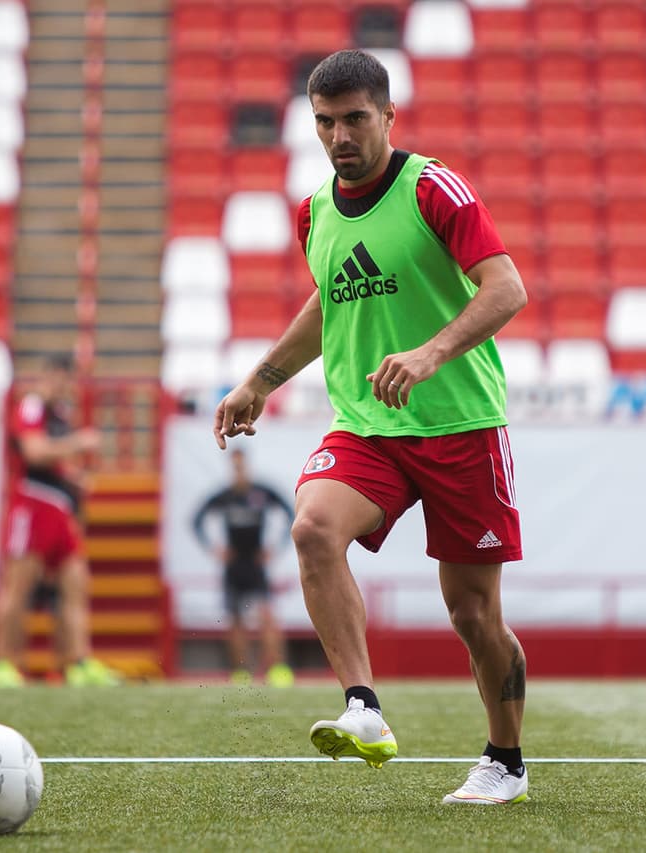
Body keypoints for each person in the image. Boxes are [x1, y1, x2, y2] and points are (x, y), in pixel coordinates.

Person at [212, 49, 530, 805]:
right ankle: (364, 706)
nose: (340, 136)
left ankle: (506, 762)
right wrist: (259, 380)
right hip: (368, 424)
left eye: (356, 118)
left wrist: (430, 352)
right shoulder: (313, 211)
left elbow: (507, 286)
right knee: (313, 527)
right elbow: (330, 301)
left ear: (388, 115)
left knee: (474, 613)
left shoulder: (432, 187)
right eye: (325, 122)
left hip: (461, 425)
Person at [0, 353, 121, 689]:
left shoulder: (59, 413)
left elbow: (51, 461)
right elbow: (34, 452)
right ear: (50, 376)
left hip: (59, 508)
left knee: (75, 584)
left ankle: (77, 662)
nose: (65, 386)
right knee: (19, 586)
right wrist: (79, 443)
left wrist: (72, 478)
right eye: (62, 378)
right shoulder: (32, 407)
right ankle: (3, 663)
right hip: (32, 505)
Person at [192, 448, 296, 687]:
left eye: (241, 465)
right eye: (235, 465)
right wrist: (214, 548)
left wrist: (275, 547)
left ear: (246, 465)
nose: (238, 470)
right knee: (235, 620)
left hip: (256, 565)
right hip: (234, 566)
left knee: (266, 616)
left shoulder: (261, 493)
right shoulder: (225, 496)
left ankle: (279, 669)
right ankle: (241, 672)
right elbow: (197, 521)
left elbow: (290, 512)